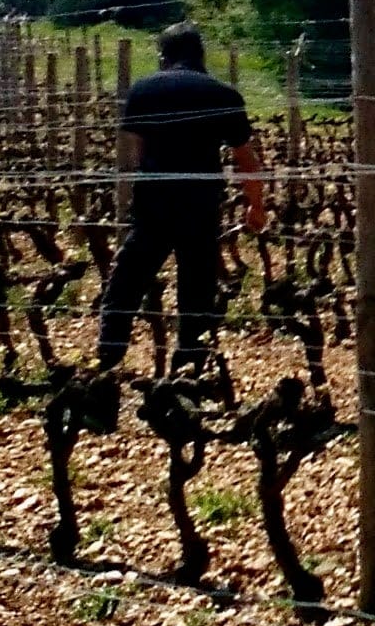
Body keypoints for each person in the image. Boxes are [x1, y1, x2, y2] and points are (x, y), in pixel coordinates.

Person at [94, 24, 266, 370]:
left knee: (128, 279)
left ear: (163, 56)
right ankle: (188, 366)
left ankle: (108, 357)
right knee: (197, 287)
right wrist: (256, 205)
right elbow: (245, 158)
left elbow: (136, 153)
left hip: (153, 202)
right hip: (200, 204)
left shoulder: (142, 91)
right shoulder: (223, 95)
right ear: (201, 56)